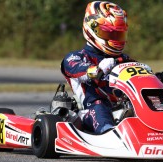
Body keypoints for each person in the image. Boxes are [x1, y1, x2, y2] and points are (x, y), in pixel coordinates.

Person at [61, 1, 151, 134]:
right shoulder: (76, 57)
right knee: (99, 106)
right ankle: (109, 133)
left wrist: (149, 75)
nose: (115, 39)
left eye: (118, 35)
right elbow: (77, 70)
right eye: (111, 34)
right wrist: (98, 69)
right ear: (92, 28)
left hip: (122, 108)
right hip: (91, 110)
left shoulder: (123, 60)